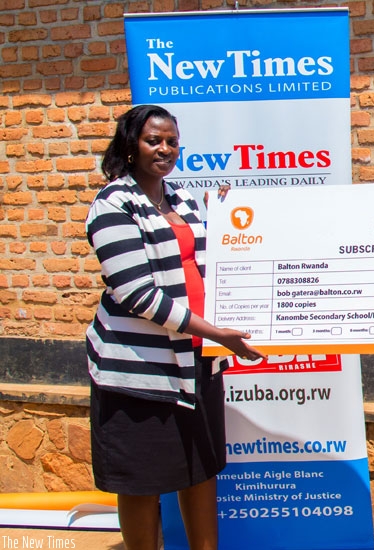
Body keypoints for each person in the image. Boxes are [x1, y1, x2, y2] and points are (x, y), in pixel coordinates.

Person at [85, 104, 264, 550]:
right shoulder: (112, 205)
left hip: (196, 362)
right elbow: (138, 295)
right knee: (142, 482)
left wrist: (226, 214)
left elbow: (211, 260)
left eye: (171, 141)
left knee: (199, 469)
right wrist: (216, 334)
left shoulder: (182, 199)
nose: (164, 149)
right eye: (153, 140)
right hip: (141, 372)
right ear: (130, 146)